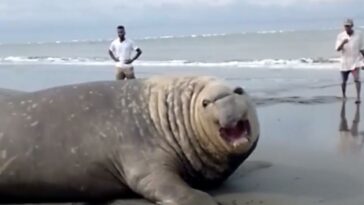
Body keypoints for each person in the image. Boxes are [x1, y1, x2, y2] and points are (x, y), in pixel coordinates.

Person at [335, 18, 364, 103]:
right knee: (344, 81)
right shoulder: (340, 36)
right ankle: (344, 95)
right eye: (345, 26)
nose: (347, 28)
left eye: (348, 26)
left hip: (355, 62)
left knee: (357, 79)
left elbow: (361, 48)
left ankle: (358, 97)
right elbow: (337, 49)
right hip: (345, 62)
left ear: (352, 26)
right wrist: (343, 43)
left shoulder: (358, 35)